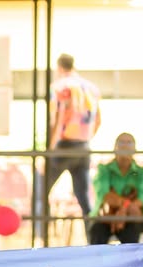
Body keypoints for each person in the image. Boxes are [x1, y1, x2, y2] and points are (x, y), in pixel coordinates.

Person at [44, 53, 101, 218]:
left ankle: (40, 234)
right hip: (83, 146)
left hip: (64, 145)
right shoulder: (90, 88)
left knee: (41, 191)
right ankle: (91, 237)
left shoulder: (59, 87)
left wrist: (50, 148)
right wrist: (86, 139)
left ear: (59, 67)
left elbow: (57, 120)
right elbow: (98, 121)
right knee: (84, 198)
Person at [89, 133, 143, 245]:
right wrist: (126, 207)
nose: (125, 146)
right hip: (106, 217)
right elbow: (105, 196)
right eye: (121, 142)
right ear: (114, 148)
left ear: (135, 149)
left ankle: (131, 263)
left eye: (129, 143)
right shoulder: (103, 170)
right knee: (97, 230)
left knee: (132, 230)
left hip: (133, 218)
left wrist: (122, 210)